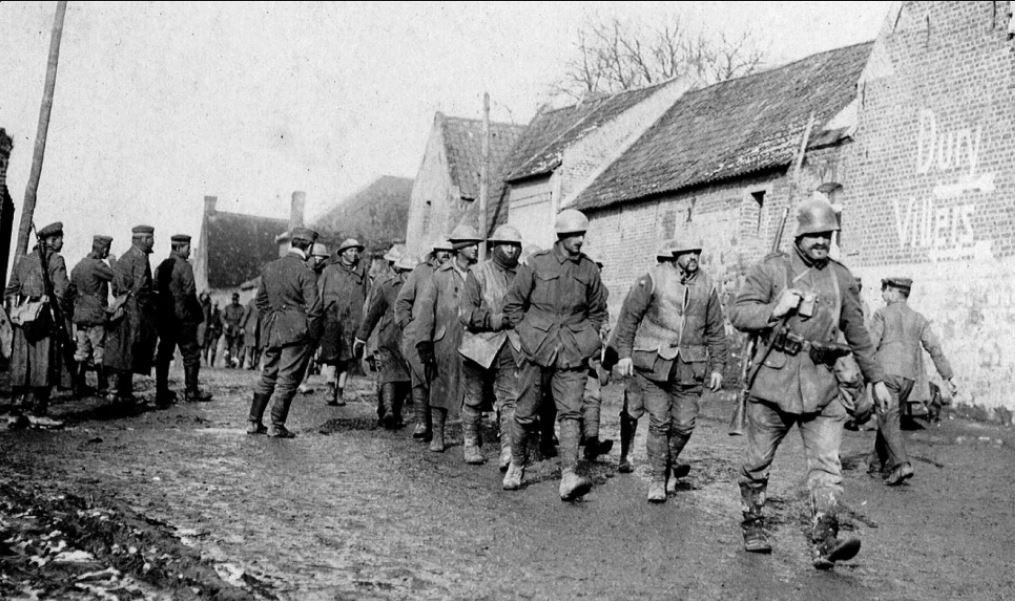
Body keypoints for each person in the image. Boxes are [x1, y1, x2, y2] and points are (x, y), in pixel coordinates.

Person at [729, 197, 890, 569]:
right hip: (773, 381)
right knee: (757, 461)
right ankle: (753, 524)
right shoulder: (772, 270)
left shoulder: (840, 276)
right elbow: (738, 312)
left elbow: (859, 334)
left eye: (827, 234)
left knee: (827, 467)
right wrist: (775, 308)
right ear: (799, 235)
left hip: (822, 384)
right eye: (814, 234)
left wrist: (876, 379)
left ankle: (825, 540)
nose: (821, 241)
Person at [501, 209, 609, 501]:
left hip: (572, 352)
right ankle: (517, 464)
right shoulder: (537, 264)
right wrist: (528, 334)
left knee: (571, 413)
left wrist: (587, 340)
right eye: (576, 235)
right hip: (537, 351)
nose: (581, 240)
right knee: (524, 413)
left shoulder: (589, 270)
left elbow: (598, 311)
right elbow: (513, 304)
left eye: (583, 234)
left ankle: (569, 476)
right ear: (561, 236)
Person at [611, 239, 727, 503]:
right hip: (653, 365)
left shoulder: (707, 286)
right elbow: (629, 318)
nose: (694, 256)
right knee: (660, 421)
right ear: (676, 254)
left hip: (690, 366)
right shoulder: (653, 278)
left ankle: (669, 461)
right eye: (689, 252)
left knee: (685, 424)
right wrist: (625, 354)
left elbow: (716, 331)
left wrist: (718, 367)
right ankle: (657, 479)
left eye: (697, 252)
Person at [867, 276, 957, 485]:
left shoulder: (882, 314)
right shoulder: (918, 318)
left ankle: (901, 464)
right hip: (908, 378)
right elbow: (933, 347)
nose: (882, 295)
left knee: (888, 418)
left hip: (885, 375)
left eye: (884, 290)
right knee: (889, 416)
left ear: (891, 291)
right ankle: (877, 464)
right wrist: (948, 375)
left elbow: (870, 344)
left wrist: (862, 370)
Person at [414, 224, 483, 453]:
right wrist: (424, 342)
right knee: (439, 387)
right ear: (460, 248)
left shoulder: (478, 274)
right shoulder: (440, 276)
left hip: (472, 340)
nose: (475, 249)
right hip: (444, 341)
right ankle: (438, 434)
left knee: (471, 389)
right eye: (471, 245)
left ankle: (471, 441)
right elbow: (425, 310)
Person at [247, 227, 322, 438]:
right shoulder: (305, 270)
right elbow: (314, 309)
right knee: (287, 379)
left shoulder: (270, 267)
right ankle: (276, 425)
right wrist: (312, 334)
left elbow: (260, 301)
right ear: (309, 247)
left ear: (291, 243)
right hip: (297, 333)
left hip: (273, 330)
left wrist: (272, 319)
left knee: (268, 375)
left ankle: (253, 421)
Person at [458, 224, 523, 468]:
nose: (511, 250)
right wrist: (492, 319)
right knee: (474, 397)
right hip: (479, 345)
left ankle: (508, 450)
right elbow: (465, 313)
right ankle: (471, 444)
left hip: (511, 346)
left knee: (510, 400)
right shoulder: (478, 273)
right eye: (506, 244)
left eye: (515, 245)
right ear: (495, 246)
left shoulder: (524, 275)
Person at [5, 222, 72, 426]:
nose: (62, 242)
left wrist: (15, 314)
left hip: (22, 320)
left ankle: (15, 412)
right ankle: (37, 412)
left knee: (22, 366)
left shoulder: (24, 260)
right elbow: (62, 291)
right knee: (44, 364)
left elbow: (10, 291)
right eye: (60, 238)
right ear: (52, 240)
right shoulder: (55, 259)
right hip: (44, 319)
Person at [395, 238, 453, 440]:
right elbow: (403, 300)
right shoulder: (421, 272)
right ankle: (422, 422)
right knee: (419, 377)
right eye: (442, 250)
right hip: (419, 333)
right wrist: (408, 324)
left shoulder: (458, 274)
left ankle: (439, 428)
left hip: (446, 335)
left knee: (440, 380)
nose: (446, 254)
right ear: (434, 251)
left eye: (450, 251)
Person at [354, 254, 415, 429]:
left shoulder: (422, 288)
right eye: (406, 271)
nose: (409, 274)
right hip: (388, 338)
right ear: (400, 270)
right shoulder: (387, 287)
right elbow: (372, 314)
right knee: (387, 373)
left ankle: (394, 411)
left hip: (408, 340)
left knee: (404, 378)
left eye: (412, 271)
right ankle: (388, 411)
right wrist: (361, 338)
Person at [153, 234, 212, 406]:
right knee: (191, 354)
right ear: (179, 247)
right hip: (183, 319)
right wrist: (197, 315)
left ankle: (161, 392)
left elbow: (156, 290)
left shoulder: (161, 266)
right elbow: (190, 293)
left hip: (166, 318)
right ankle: (191, 391)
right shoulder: (184, 267)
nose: (188, 251)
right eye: (187, 247)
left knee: (164, 355)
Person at [103, 224, 158, 408]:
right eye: (150, 239)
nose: (153, 242)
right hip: (134, 310)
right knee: (131, 348)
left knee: (122, 349)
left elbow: (116, 285)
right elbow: (142, 287)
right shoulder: (140, 258)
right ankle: (121, 394)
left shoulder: (124, 257)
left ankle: (118, 393)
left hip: (121, 307)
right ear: (143, 239)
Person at [318, 238, 369, 406]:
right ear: (343, 253)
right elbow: (320, 293)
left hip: (352, 321)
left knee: (347, 358)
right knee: (332, 357)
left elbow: (366, 296)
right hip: (333, 320)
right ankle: (330, 388)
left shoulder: (361, 272)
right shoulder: (330, 270)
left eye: (356, 251)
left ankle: (340, 391)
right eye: (351, 251)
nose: (354, 254)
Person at [70, 234, 115, 397]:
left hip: (81, 315)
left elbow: (71, 288)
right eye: (107, 249)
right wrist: (113, 261)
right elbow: (115, 277)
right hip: (96, 315)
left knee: (82, 350)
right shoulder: (98, 265)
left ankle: (78, 386)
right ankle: (102, 386)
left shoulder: (78, 266)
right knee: (99, 351)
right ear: (103, 249)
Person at [222, 293, 245, 368]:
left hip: (236, 329)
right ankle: (227, 362)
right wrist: (225, 323)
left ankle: (233, 362)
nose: (235, 301)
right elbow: (222, 316)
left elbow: (243, 318)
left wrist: (242, 327)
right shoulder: (227, 307)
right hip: (228, 329)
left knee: (235, 345)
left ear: (238, 299)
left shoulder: (241, 308)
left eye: (236, 299)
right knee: (227, 346)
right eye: (233, 299)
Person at [239, 295, 260, 370]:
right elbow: (245, 315)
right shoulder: (251, 302)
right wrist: (242, 326)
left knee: (259, 346)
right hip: (250, 327)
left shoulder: (264, 303)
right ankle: (249, 363)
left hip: (260, 328)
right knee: (250, 346)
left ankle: (256, 364)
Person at [203, 303, 222, 367]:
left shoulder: (219, 313)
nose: (214, 306)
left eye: (216, 305)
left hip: (215, 333)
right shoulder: (206, 312)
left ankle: (212, 363)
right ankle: (205, 362)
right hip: (207, 333)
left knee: (214, 348)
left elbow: (221, 324)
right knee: (205, 349)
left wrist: (218, 331)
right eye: (214, 305)